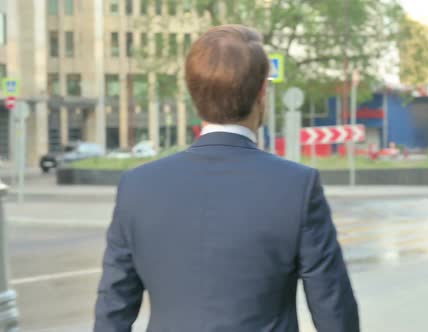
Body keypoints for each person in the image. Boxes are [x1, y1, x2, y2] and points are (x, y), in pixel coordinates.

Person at [94, 25, 359, 332]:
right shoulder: (297, 186)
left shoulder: (137, 187)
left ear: (193, 92)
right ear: (262, 91)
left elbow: (112, 310)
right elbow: (334, 310)